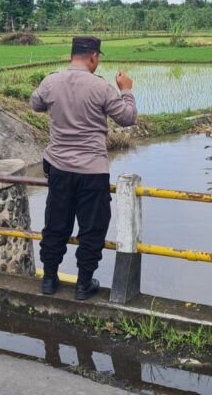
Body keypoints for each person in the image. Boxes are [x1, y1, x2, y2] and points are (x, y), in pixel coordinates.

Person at [31, 36, 137, 300]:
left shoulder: (51, 81)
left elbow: (35, 104)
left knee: (55, 224)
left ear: (72, 56)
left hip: (59, 168)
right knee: (92, 228)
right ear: (93, 57)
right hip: (92, 171)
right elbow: (127, 118)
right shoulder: (101, 87)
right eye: (98, 58)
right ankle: (83, 284)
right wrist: (126, 90)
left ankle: (49, 280)